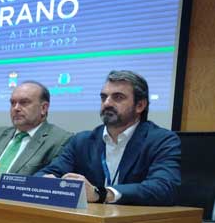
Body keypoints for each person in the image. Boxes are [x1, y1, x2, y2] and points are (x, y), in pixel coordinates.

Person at [36, 70, 181, 206]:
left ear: (140, 105)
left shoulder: (161, 140)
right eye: (104, 97)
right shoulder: (82, 141)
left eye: (118, 97)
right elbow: (46, 173)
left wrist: (102, 194)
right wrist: (47, 182)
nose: (107, 103)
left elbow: (164, 188)